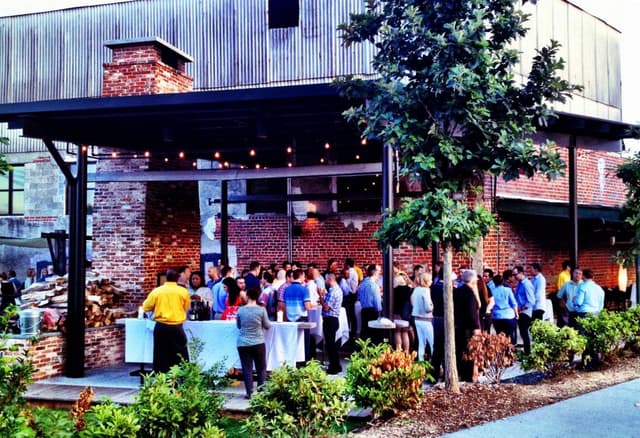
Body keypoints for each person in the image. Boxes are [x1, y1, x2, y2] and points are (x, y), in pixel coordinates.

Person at [142, 268, 191, 373]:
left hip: (161, 326)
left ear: (166, 278)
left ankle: (162, 377)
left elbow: (146, 307)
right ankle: (181, 376)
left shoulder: (157, 291)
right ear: (177, 278)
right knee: (180, 353)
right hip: (177, 327)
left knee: (161, 353)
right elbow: (186, 307)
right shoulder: (183, 291)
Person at [236, 285, 271, 399]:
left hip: (243, 343)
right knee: (261, 368)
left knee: (247, 368)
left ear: (247, 296)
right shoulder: (261, 310)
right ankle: (261, 391)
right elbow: (267, 326)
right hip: (258, 342)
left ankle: (249, 393)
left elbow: (238, 326)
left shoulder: (240, 310)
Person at [453, 269, 481, 382]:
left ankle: (461, 374)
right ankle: (467, 377)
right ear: (473, 280)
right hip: (468, 328)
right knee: (468, 352)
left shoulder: (457, 292)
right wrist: (476, 328)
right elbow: (471, 314)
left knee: (460, 351)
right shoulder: (469, 294)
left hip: (458, 326)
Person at [279, 269, 312, 361]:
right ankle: (304, 363)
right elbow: (307, 306)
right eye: (304, 276)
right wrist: (312, 305)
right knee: (304, 343)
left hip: (289, 318)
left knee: (291, 341)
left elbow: (283, 305)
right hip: (301, 317)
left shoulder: (287, 289)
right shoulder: (304, 289)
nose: (304, 278)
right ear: (301, 276)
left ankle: (291, 361)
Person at [319, 273, 343, 374]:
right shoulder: (337, 290)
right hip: (333, 319)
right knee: (331, 344)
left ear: (329, 280)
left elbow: (326, 307)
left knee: (330, 344)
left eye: (326, 280)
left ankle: (334, 366)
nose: (325, 282)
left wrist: (321, 297)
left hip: (330, 319)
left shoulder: (333, 292)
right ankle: (336, 365)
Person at [486, 272, 519, 345]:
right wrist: (516, 313)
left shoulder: (492, 291)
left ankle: (502, 353)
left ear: (494, 282)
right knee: (510, 336)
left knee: (500, 336)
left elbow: (490, 303)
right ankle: (510, 351)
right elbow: (513, 303)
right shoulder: (508, 290)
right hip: (509, 316)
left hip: (497, 316)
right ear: (502, 281)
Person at [411, 272, 434, 362]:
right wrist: (432, 306)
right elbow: (428, 308)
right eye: (430, 280)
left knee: (421, 342)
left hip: (417, 318)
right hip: (426, 319)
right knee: (432, 342)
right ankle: (435, 364)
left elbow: (412, 301)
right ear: (426, 281)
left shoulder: (416, 290)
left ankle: (421, 362)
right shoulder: (426, 291)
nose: (431, 281)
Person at [357, 264, 382, 342]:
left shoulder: (362, 283)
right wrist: (380, 312)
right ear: (374, 272)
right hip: (372, 311)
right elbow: (377, 301)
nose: (380, 273)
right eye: (379, 271)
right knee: (374, 335)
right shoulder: (373, 285)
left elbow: (359, 297)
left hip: (364, 310)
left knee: (365, 333)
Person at [513, 265, 535, 355]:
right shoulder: (520, 283)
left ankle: (528, 352)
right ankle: (527, 351)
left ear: (521, 273)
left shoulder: (526, 285)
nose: (514, 277)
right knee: (522, 332)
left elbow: (531, 301)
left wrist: (520, 309)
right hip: (520, 311)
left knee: (524, 332)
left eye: (515, 274)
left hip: (525, 312)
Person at [555, 260, 572, 327]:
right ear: (567, 267)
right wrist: (561, 301)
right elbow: (560, 289)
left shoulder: (569, 275)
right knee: (563, 316)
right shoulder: (562, 275)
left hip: (569, 298)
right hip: (563, 298)